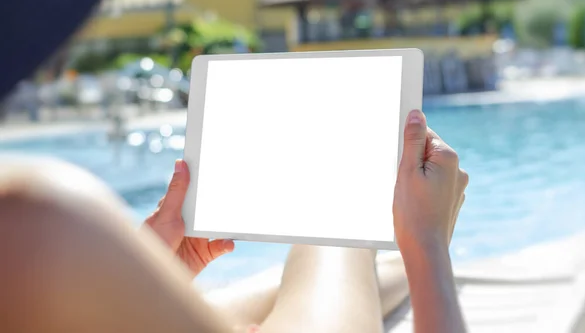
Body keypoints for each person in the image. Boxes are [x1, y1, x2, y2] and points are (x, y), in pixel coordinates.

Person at [0, 109, 468, 333]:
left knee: (276, 291)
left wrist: (156, 274)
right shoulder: (32, 215)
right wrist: (426, 247)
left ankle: (385, 271)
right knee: (333, 241)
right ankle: (390, 262)